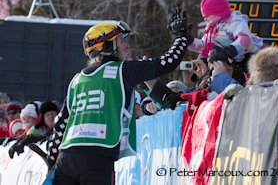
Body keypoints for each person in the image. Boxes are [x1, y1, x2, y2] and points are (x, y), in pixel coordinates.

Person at [47, 13, 194, 184]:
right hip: (98, 160)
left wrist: (52, 163)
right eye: (121, 41)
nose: (126, 46)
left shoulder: (77, 80)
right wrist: (181, 37)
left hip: (66, 159)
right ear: (108, 46)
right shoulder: (122, 70)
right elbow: (169, 61)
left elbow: (60, 125)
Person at [187, 0, 265, 72]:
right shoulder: (213, 29)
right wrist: (188, 41)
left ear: (217, 12)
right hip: (241, 62)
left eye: (207, 16)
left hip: (259, 56)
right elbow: (204, 46)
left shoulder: (235, 21)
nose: (205, 19)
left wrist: (228, 51)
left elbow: (245, 38)